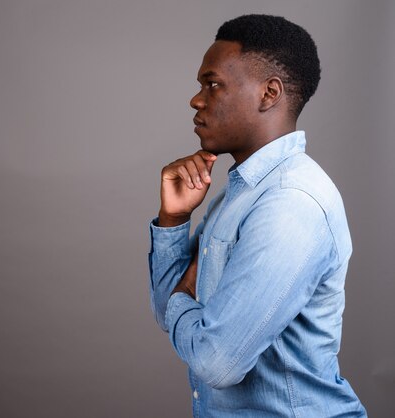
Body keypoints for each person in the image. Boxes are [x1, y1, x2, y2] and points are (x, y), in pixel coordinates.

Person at [148, 14, 367, 417]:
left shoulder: (290, 203)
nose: (196, 99)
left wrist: (181, 297)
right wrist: (173, 221)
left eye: (212, 85)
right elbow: (170, 314)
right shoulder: (238, 195)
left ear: (269, 93)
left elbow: (216, 360)